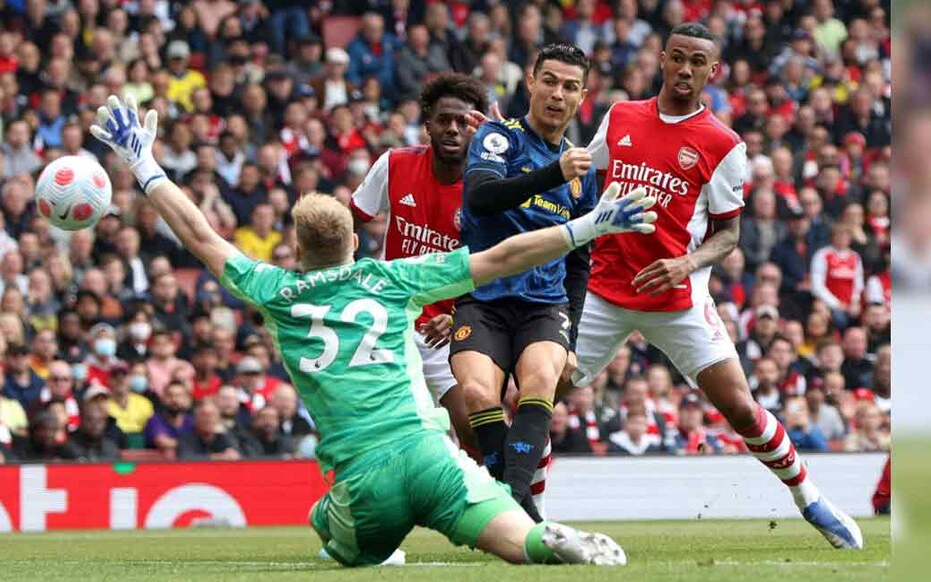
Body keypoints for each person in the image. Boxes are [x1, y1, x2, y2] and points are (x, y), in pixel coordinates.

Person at [91, 94, 657, 565]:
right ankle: (544, 539)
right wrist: (587, 226)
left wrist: (144, 166)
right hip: (431, 455)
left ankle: (355, 532)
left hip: (364, 478)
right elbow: (503, 255)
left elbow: (201, 238)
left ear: (297, 250)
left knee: (330, 531)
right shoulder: (391, 280)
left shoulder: (274, 291)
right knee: (517, 542)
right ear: (354, 244)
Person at [573, 22, 863, 549]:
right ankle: (528, 516)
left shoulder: (723, 143)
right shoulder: (620, 116)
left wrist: (684, 264)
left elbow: (729, 235)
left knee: (742, 408)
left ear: (713, 71)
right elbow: (578, 169)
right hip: (604, 291)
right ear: (663, 59)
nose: (684, 69)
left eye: (696, 61)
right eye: (677, 57)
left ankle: (811, 500)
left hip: (677, 300)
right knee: (537, 396)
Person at [453, 43, 603, 521]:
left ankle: (514, 510)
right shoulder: (499, 137)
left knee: (540, 382)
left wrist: (571, 336)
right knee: (478, 395)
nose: (558, 94)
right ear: (531, 82)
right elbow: (480, 198)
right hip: (483, 296)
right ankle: (524, 512)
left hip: (544, 302)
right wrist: (552, 173)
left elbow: (580, 260)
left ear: (582, 97)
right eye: (550, 81)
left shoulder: (582, 174)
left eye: (570, 86)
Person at [349, 73, 489, 458]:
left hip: (449, 330)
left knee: (477, 430)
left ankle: (492, 495)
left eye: (463, 121)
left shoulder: (488, 189)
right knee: (374, 433)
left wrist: (459, 316)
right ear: (427, 125)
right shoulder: (394, 164)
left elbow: (499, 268)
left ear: (477, 129)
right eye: (444, 120)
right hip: (390, 322)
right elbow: (347, 223)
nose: (452, 129)